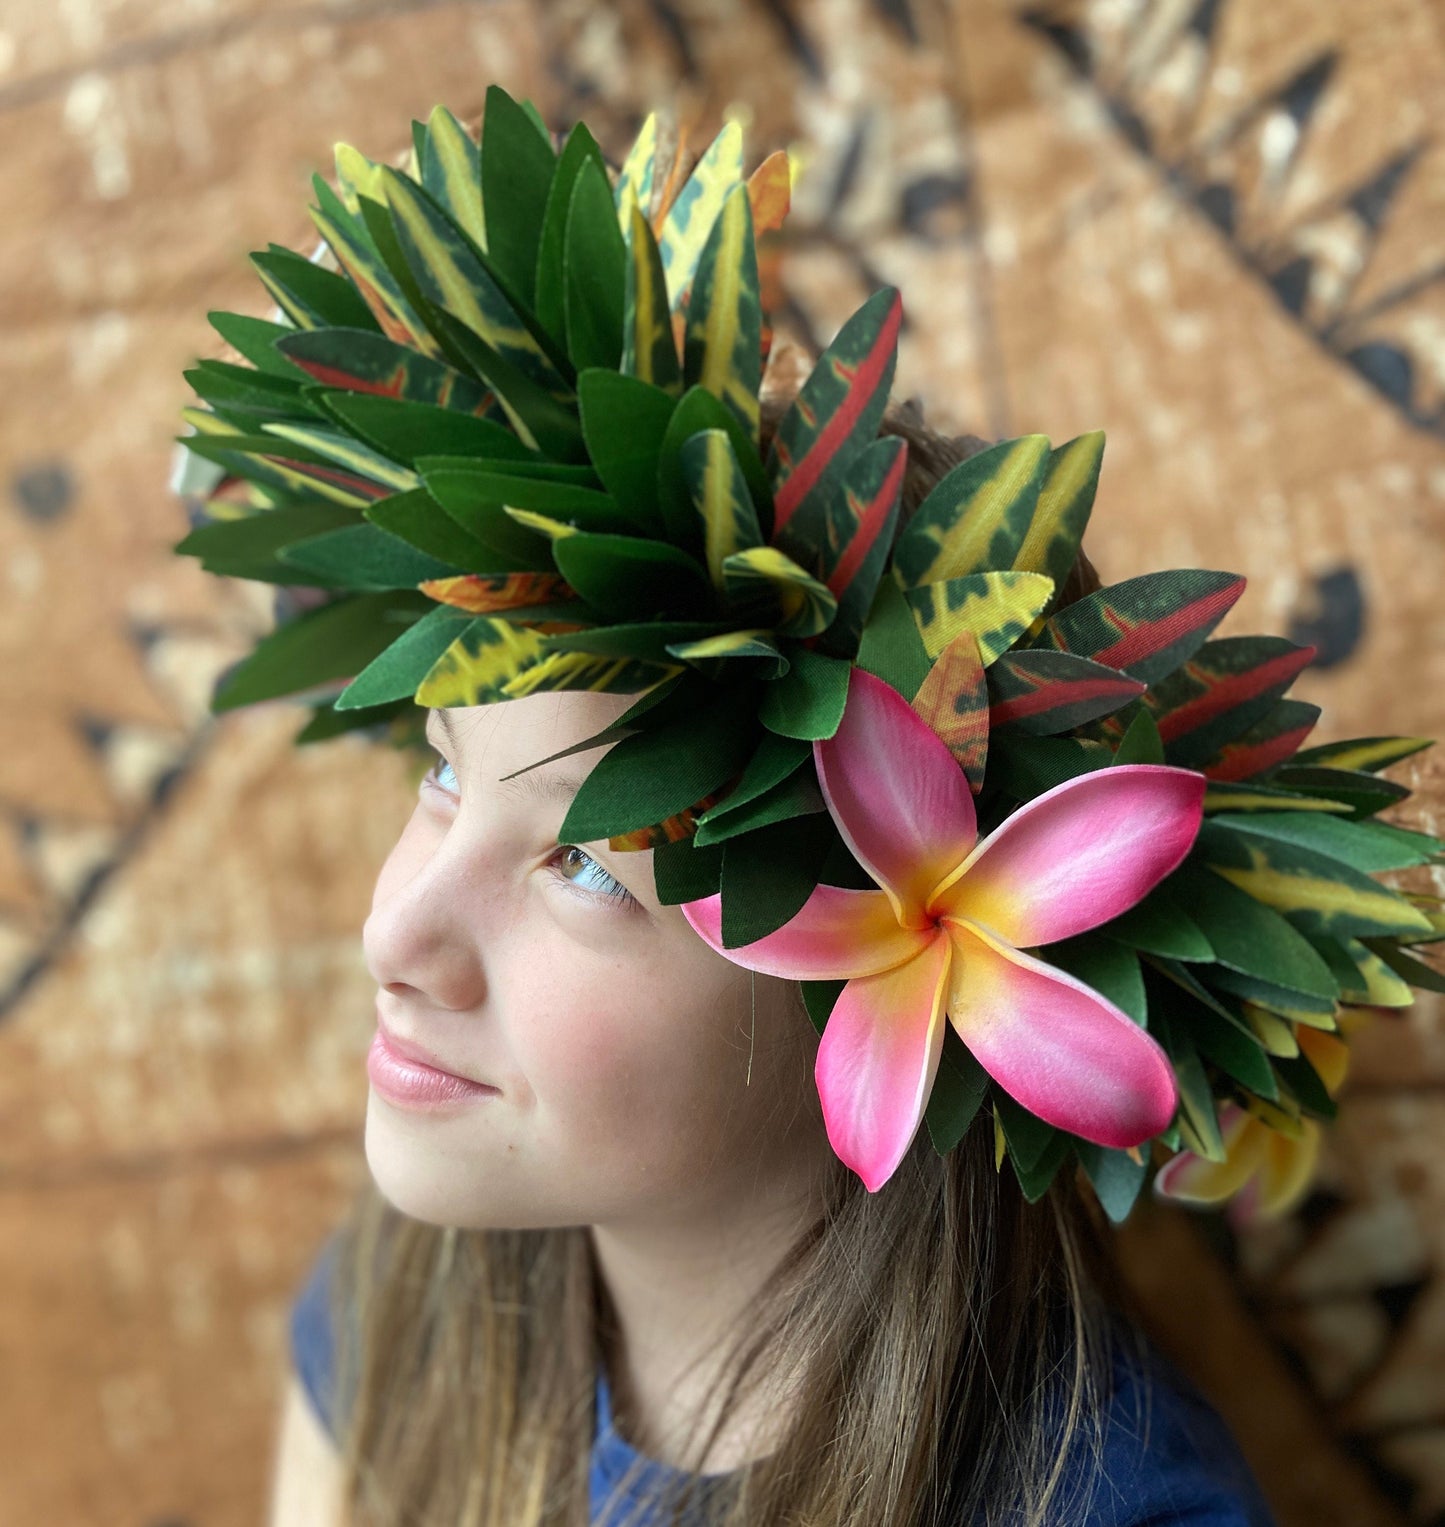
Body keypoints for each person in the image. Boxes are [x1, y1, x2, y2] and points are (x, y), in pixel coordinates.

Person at [170, 89, 1441, 1527]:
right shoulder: (406, 1309)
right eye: (446, 772)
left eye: (587, 863)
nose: (394, 935)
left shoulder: (1099, 1508)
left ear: (853, 1001)